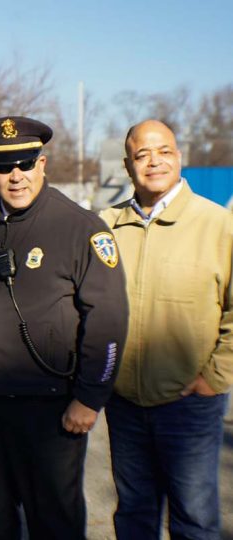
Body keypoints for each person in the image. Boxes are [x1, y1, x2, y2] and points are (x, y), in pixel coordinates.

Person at [0, 116, 128, 539]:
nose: (16, 177)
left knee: (54, 525)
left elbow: (108, 319)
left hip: (52, 410)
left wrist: (90, 397)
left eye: (26, 163)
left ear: (43, 164)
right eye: (5, 166)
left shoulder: (80, 228)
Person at [100, 119, 233, 539]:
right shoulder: (105, 226)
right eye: (142, 154)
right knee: (134, 515)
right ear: (127, 165)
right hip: (123, 402)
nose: (153, 162)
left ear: (179, 156)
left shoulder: (217, 224)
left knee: (193, 518)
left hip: (189, 401)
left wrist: (214, 377)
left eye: (163, 151)